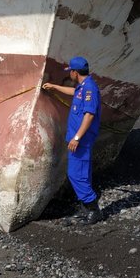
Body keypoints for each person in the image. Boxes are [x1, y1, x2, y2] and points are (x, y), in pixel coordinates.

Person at [42, 56, 103, 225]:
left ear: (75, 73)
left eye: (71, 72)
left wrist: (77, 137)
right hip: (78, 139)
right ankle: (85, 208)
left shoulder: (90, 88)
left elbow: (89, 115)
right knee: (82, 173)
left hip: (81, 140)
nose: (70, 75)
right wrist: (54, 87)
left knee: (76, 174)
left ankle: (93, 210)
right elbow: (75, 93)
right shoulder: (83, 87)